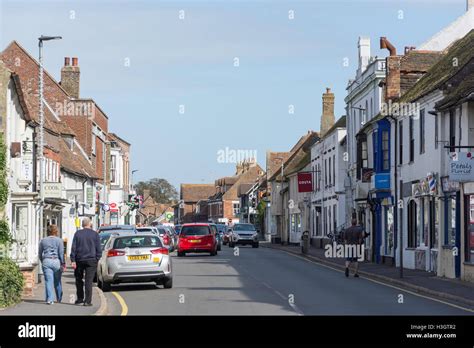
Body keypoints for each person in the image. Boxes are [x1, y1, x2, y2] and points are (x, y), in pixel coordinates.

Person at [70, 218, 101, 306]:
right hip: (91, 260)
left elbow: (73, 248)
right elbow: (98, 248)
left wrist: (73, 260)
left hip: (79, 260)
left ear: (82, 224)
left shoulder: (77, 234)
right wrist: (97, 258)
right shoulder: (95, 234)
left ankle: (80, 299)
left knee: (78, 279)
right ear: (90, 224)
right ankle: (87, 301)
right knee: (89, 281)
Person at [38, 225, 65, 305]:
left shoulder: (43, 240)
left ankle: (50, 299)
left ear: (48, 231)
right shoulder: (59, 240)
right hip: (56, 261)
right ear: (56, 231)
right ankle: (59, 298)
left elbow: (40, 253)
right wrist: (63, 263)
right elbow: (61, 253)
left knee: (48, 281)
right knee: (57, 281)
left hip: (46, 260)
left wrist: (42, 260)